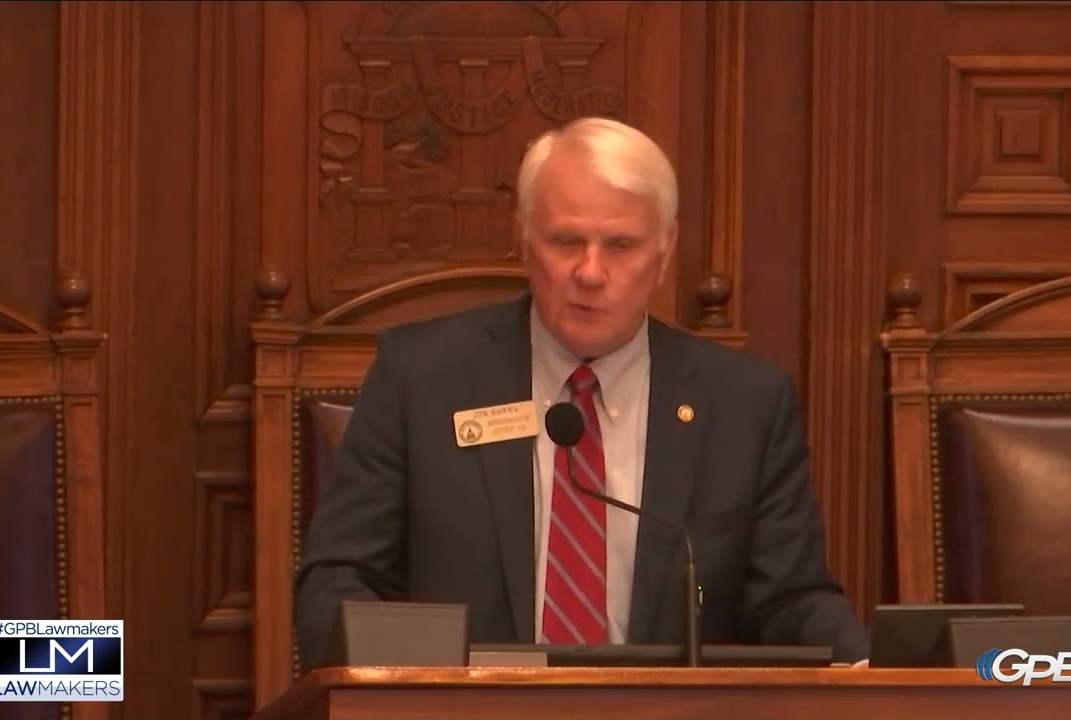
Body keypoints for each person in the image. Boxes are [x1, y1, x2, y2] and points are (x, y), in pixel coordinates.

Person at [294, 116, 871, 669]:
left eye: (620, 246)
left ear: (665, 251)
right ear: (524, 240)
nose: (591, 273)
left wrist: (869, 667)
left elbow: (789, 601)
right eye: (567, 241)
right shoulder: (422, 379)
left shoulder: (744, 406)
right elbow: (337, 582)